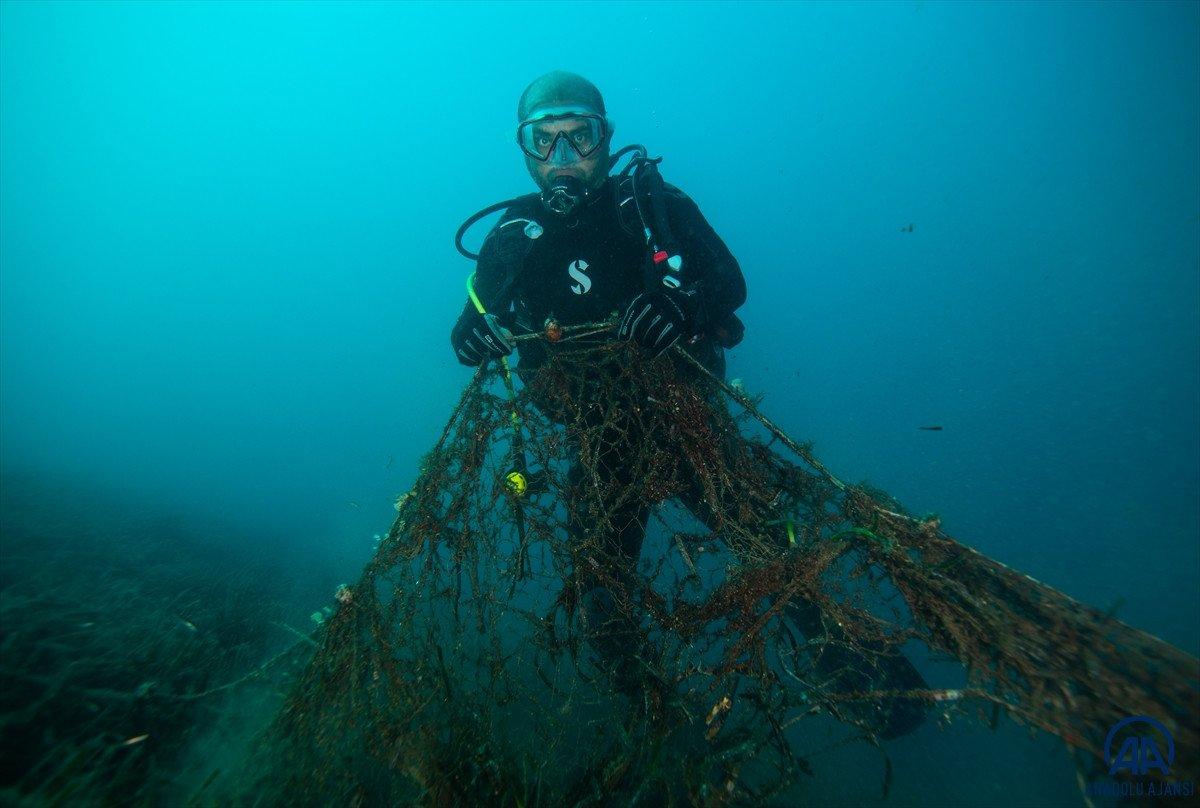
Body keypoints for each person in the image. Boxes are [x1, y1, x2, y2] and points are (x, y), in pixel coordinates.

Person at [449, 71, 927, 738]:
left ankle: (871, 683)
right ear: (524, 150)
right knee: (601, 601)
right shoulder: (512, 238)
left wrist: (680, 302)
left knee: (773, 555)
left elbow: (729, 282)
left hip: (689, 427)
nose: (562, 158)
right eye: (544, 140)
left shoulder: (651, 206)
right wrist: (466, 333)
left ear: (605, 139)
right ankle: (666, 740)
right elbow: (478, 312)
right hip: (599, 444)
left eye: (578, 137)